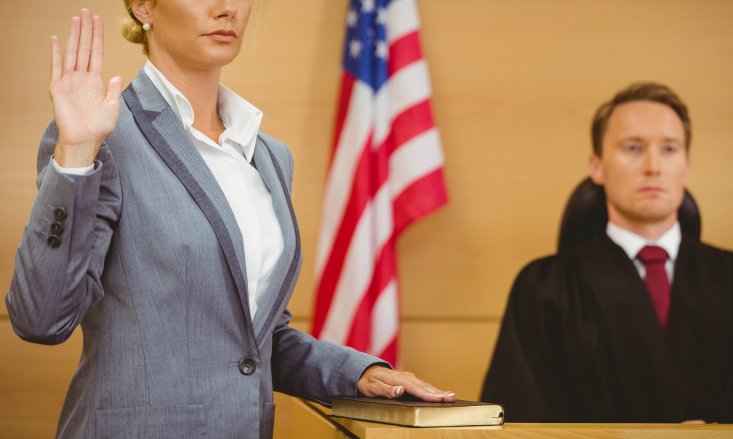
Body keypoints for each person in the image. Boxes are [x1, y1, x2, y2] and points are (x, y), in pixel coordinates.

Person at [5, 2, 454, 438]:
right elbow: (41, 319)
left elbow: (249, 341)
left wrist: (357, 372)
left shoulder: (271, 156)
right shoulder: (101, 136)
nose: (227, 9)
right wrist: (78, 154)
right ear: (143, 6)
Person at [481, 82, 733, 423]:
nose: (653, 166)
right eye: (634, 148)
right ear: (597, 166)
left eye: (669, 149)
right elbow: (519, 421)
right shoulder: (543, 288)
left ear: (687, 166)